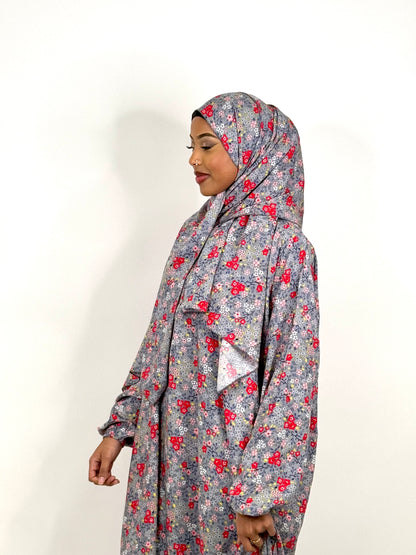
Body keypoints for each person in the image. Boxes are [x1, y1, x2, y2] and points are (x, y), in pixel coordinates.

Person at [89, 92, 320, 555]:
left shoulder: (286, 247)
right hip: (169, 456)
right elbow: (159, 339)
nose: (193, 159)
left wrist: (257, 494)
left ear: (253, 148)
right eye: (191, 146)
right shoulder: (193, 234)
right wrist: (120, 428)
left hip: (235, 468)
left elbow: (292, 378)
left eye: (207, 145)